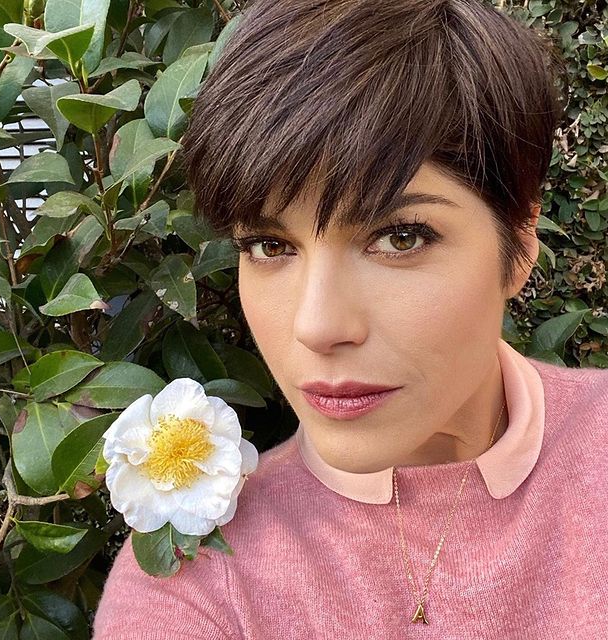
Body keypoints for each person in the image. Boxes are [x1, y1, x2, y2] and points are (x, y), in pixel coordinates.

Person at [93, 0, 608, 637]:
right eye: (269, 245)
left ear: (520, 244)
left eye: (399, 237)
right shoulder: (196, 579)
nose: (316, 327)